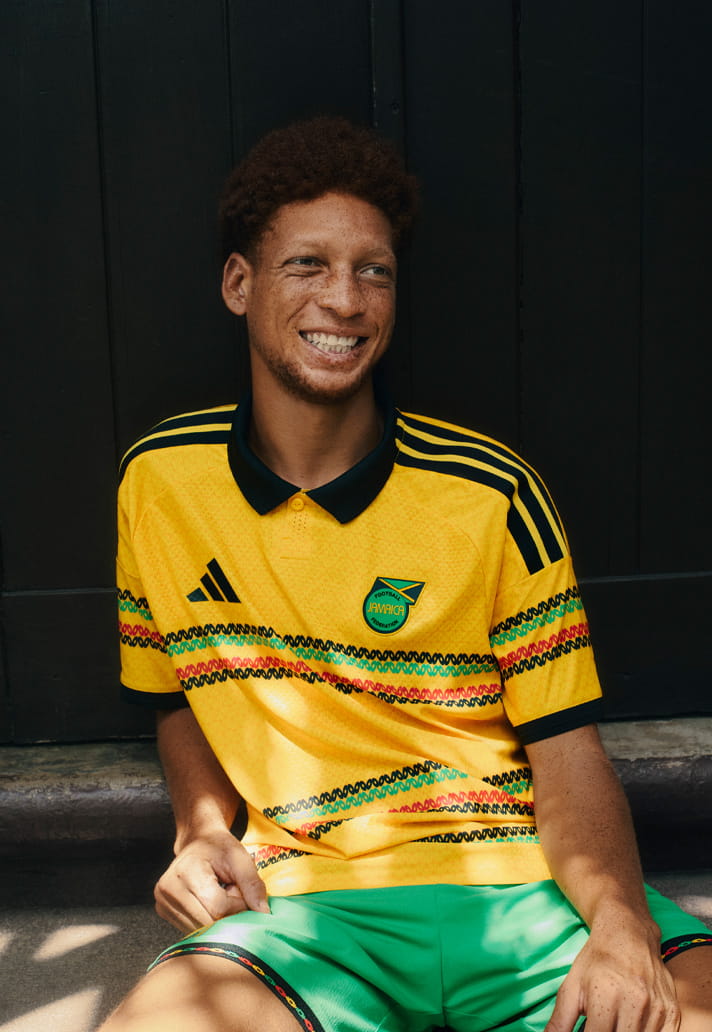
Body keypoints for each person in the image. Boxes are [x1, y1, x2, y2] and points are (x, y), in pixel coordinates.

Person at [105, 117, 712, 1032]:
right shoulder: (157, 485)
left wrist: (621, 927)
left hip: (525, 890)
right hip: (303, 909)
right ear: (239, 284)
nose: (345, 300)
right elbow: (175, 694)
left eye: (374, 271)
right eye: (307, 265)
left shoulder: (491, 492)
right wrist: (202, 830)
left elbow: (567, 750)